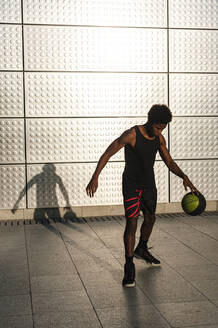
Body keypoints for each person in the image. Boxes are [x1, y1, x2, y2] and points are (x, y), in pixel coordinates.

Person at [86, 104, 200, 287]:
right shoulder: (131, 134)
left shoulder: (159, 139)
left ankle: (142, 248)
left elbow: (169, 161)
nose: (159, 131)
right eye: (157, 127)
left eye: (162, 128)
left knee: (151, 219)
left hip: (149, 186)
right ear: (149, 120)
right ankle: (129, 264)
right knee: (132, 222)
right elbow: (108, 152)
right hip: (131, 186)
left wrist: (184, 177)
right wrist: (95, 177)